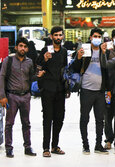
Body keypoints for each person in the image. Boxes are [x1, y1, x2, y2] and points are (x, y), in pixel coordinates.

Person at [72, 28, 109, 155]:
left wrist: (104, 53)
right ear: (90, 37)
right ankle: (85, 144)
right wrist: (78, 57)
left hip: (100, 91)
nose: (97, 38)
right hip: (86, 90)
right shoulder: (84, 50)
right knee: (84, 118)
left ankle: (98, 144)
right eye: (95, 36)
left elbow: (106, 68)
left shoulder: (104, 51)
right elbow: (75, 68)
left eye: (99, 36)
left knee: (100, 119)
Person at [0, 37, 37, 158]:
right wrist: (2, 96)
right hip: (12, 96)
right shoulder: (8, 60)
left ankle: (27, 147)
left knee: (26, 123)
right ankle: (9, 148)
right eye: (20, 46)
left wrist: (38, 75)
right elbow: (1, 77)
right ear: (16, 47)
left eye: (25, 47)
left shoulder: (30, 62)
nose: (23, 48)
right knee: (9, 123)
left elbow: (32, 77)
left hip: (25, 96)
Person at [36, 26, 68, 158]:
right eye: (56, 35)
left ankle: (55, 145)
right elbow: (38, 68)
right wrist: (44, 60)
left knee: (59, 118)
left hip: (60, 89)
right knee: (47, 118)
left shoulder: (64, 51)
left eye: (60, 35)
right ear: (51, 36)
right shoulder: (45, 50)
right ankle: (45, 147)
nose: (58, 37)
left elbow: (65, 68)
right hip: (48, 89)